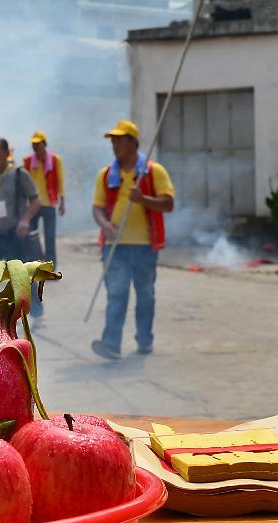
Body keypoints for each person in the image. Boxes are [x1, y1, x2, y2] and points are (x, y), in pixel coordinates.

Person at [91, 120, 175, 360]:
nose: (114, 145)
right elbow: (97, 208)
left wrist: (144, 199)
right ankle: (111, 344)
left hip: (144, 247)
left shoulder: (152, 171)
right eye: (112, 141)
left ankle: (144, 339)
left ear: (132, 143)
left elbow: (168, 203)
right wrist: (105, 225)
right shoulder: (106, 175)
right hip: (114, 246)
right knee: (116, 292)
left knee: (145, 294)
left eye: (118, 140)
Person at [0, 137, 41, 269]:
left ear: (6, 153)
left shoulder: (19, 175)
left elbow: (36, 200)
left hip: (13, 234)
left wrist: (25, 220)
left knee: (21, 280)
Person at [24, 131, 66, 268]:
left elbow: (60, 180)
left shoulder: (55, 160)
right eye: (33, 144)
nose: (35, 147)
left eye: (38, 144)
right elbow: (24, 183)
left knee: (50, 237)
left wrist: (62, 202)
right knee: (32, 238)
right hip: (33, 205)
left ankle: (50, 266)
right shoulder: (28, 161)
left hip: (49, 203)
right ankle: (34, 265)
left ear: (45, 144)